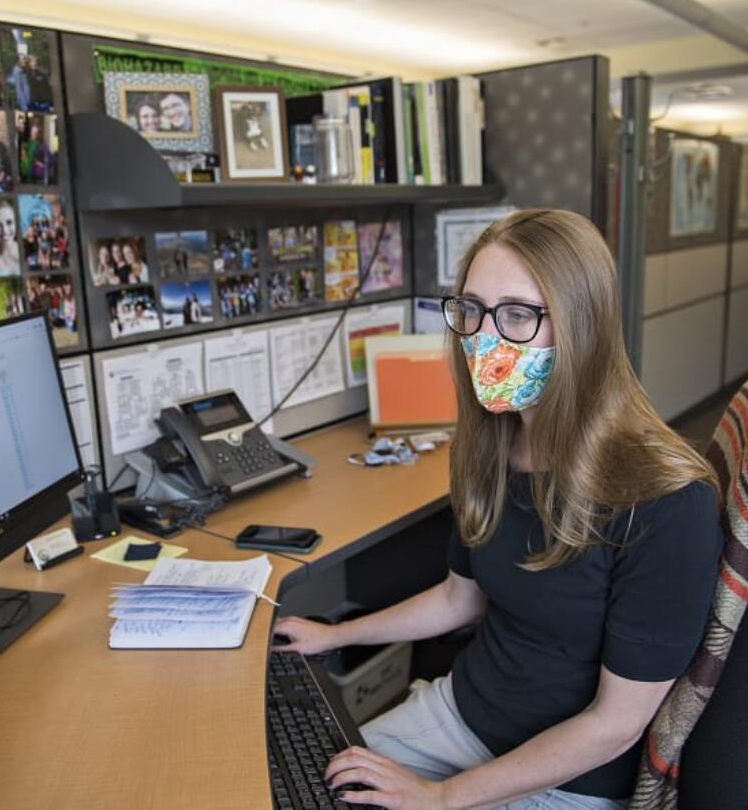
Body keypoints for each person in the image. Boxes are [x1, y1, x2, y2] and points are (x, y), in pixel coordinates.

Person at [273, 209, 723, 810]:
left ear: (579, 327)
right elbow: (460, 599)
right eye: (471, 311)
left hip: (566, 774)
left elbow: (615, 725)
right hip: (464, 712)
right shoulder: (488, 446)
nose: (486, 339)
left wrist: (440, 797)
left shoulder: (666, 500)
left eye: (516, 315)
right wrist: (335, 633)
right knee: (297, 789)